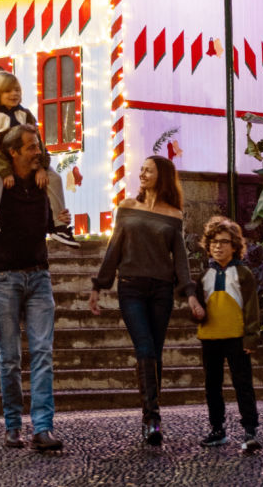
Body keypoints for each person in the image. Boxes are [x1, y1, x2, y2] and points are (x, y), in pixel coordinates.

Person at [0, 124, 68, 452]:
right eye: (32, 147)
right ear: (14, 153)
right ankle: (12, 425)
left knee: (43, 354)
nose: (38, 152)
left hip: (39, 277)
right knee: (9, 358)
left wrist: (61, 220)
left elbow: (48, 226)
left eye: (38, 146)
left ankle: (43, 428)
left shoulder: (42, 183)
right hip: (4, 278)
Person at [88, 155, 204, 446]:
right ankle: (152, 418)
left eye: (148, 171)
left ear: (161, 176)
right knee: (145, 347)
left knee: (155, 351)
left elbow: (180, 259)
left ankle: (150, 414)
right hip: (131, 289)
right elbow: (114, 248)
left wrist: (189, 294)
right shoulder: (127, 208)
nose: (142, 174)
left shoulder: (174, 214)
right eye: (141, 170)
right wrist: (99, 285)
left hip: (161, 291)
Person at [0, 70, 78, 248]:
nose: (14, 94)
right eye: (8, 91)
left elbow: (37, 141)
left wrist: (41, 167)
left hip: (30, 160)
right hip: (3, 161)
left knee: (54, 178)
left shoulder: (25, 114)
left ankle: (60, 225)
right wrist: (5, 171)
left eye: (17, 90)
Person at [194, 216, 263, 452]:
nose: (218, 246)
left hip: (236, 337)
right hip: (210, 338)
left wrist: (251, 336)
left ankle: (250, 430)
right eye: (213, 241)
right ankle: (217, 429)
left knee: (243, 384)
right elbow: (196, 307)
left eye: (224, 242)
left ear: (234, 246)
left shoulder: (243, 274)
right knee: (212, 386)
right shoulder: (204, 276)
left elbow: (252, 307)